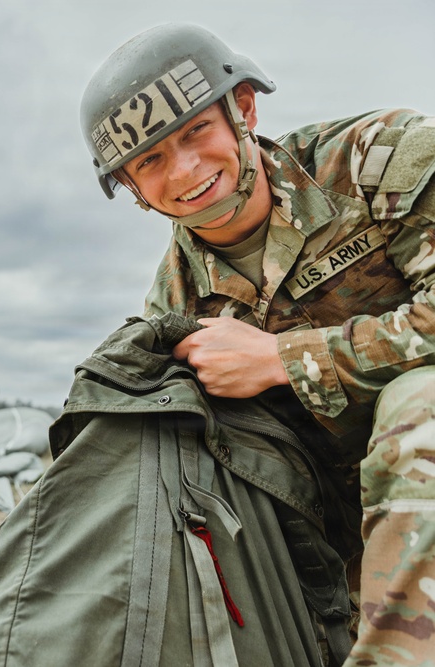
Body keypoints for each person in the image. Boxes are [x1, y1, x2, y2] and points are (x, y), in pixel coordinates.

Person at [79, 23, 435, 666]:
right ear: (131, 188)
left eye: (195, 132)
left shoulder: (377, 164)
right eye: (150, 159)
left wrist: (283, 359)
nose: (184, 169)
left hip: (422, 479)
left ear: (242, 109)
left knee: (422, 405)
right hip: (337, 540)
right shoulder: (176, 305)